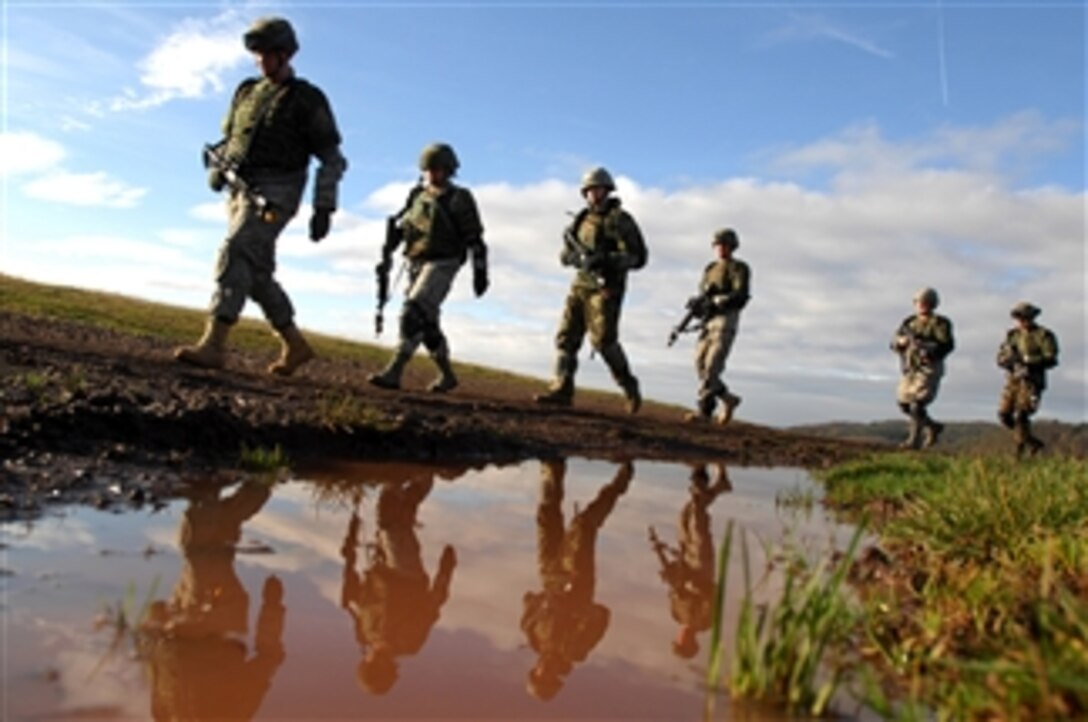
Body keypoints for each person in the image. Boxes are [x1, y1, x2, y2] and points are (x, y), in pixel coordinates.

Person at [175, 16, 347, 376]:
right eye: (256, 53)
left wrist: (324, 206)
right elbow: (231, 137)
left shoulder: (307, 99)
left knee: (235, 249)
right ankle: (296, 346)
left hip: (277, 192)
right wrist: (218, 169)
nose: (259, 59)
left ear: (284, 54)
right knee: (255, 273)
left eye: (266, 53)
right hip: (241, 189)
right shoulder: (246, 92)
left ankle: (214, 345)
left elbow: (332, 157)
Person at [139, 479, 285, 721]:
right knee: (198, 557)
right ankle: (208, 496)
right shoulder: (235, 715)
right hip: (220, 620)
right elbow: (267, 659)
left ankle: (251, 489)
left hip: (181, 616)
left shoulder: (164, 715)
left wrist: (152, 625)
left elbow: (155, 675)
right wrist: (273, 607)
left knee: (207, 555)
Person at [368, 142, 488, 392]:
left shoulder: (459, 199)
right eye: (429, 169)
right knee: (428, 323)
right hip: (416, 262)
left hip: (443, 263)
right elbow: (408, 227)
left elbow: (475, 240)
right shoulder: (416, 197)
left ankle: (394, 370)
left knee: (413, 312)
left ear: (449, 170)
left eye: (439, 169)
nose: (433, 174)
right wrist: (391, 245)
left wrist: (480, 272)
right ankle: (447, 376)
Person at [534, 167, 647, 414]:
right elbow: (564, 254)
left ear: (608, 190)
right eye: (590, 190)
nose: (595, 194)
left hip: (606, 287)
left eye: (599, 189)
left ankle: (629, 385)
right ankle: (561, 390)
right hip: (581, 285)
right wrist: (577, 259)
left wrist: (607, 259)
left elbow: (638, 257)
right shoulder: (579, 221)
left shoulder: (620, 220)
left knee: (604, 342)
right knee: (566, 336)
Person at [521, 459, 632, 700]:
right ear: (556, 678)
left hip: (548, 575)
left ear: (534, 671)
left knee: (546, 515)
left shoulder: (533, 638)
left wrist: (542, 601)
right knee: (582, 525)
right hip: (577, 579)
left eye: (539, 675)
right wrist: (576, 607)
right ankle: (618, 485)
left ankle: (553, 468)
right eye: (547, 678)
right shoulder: (576, 650)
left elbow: (527, 601)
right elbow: (602, 615)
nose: (544, 672)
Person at [340, 477, 456, 695]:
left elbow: (352, 590)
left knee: (394, 519)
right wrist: (446, 571)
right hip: (406, 572)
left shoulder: (364, 633)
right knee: (390, 522)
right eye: (376, 665)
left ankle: (414, 477)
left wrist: (350, 546)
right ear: (388, 668)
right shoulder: (410, 642)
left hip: (381, 565)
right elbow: (432, 605)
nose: (372, 657)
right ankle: (417, 476)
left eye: (369, 662)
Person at [648, 463, 731, 659]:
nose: (679, 638)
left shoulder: (676, 615)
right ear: (690, 643)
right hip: (702, 563)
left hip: (685, 556)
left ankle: (718, 485)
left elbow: (674, 584)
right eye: (681, 643)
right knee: (697, 515)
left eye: (677, 641)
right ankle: (699, 474)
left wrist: (664, 557)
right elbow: (713, 594)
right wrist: (695, 588)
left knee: (685, 515)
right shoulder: (705, 622)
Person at [684, 228, 751, 424]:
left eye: (725, 245)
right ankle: (729, 399)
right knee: (700, 365)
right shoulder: (710, 268)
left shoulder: (739, 268)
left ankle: (705, 412)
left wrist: (720, 300)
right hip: (708, 320)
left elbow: (741, 295)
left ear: (732, 247)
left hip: (726, 319)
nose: (721, 249)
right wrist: (698, 305)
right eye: (718, 245)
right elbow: (703, 294)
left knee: (712, 366)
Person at [890, 287, 955, 449]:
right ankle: (932, 426)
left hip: (929, 367)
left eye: (926, 302)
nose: (922, 305)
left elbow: (947, 344)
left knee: (917, 404)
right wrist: (900, 343)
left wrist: (929, 349)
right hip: (910, 366)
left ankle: (914, 441)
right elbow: (894, 343)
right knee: (904, 404)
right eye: (919, 302)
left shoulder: (941, 323)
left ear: (933, 304)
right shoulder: (908, 323)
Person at [996, 301, 1060, 457]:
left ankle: (1019, 452)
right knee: (1004, 414)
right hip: (1013, 380)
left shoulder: (1044, 335)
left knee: (1022, 415)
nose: (1022, 320)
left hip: (1032, 380)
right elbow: (1000, 357)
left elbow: (1051, 358)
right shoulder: (1012, 335)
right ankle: (1031, 442)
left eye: (1025, 317)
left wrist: (1030, 361)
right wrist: (1007, 362)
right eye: (1019, 317)